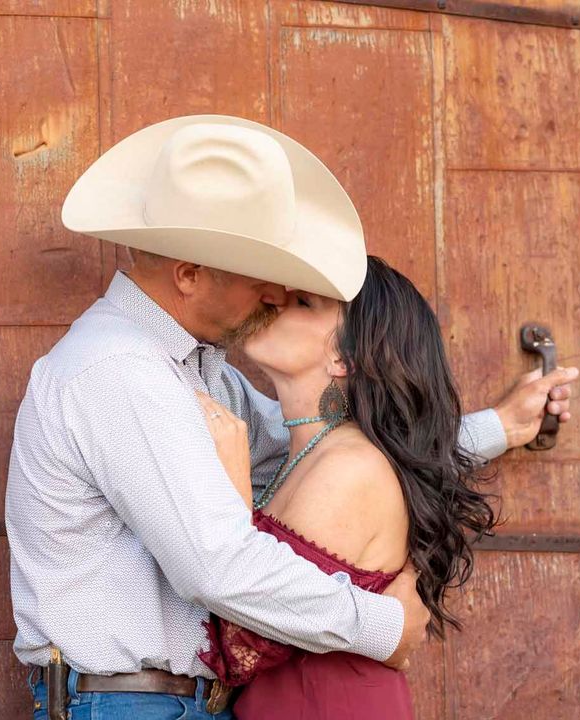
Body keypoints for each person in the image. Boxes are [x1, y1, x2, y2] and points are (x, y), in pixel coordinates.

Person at [5, 114, 577, 720]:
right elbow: (220, 571)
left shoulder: (201, 372)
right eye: (262, 273)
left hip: (177, 702)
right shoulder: (119, 372)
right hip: (126, 704)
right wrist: (385, 625)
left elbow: (329, 439)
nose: (276, 293)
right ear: (190, 275)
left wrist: (500, 427)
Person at [198, 256, 500, 719]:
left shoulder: (349, 467)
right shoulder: (314, 453)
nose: (273, 299)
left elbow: (244, 642)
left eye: (302, 301)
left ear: (344, 358)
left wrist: (234, 484)